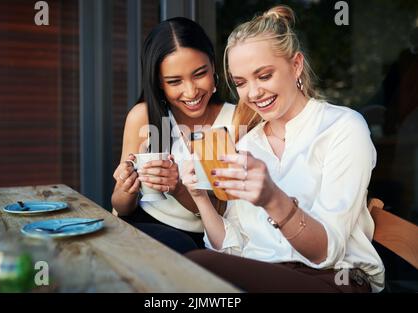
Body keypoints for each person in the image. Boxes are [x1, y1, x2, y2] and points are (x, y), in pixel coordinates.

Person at [182, 5, 385, 292]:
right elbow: (233, 247)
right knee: (192, 267)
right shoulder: (247, 144)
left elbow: (326, 252)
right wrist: (200, 197)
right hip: (265, 275)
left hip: (332, 280)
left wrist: (272, 198)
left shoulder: (343, 128)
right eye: (241, 83)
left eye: (264, 76)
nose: (253, 93)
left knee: (195, 265)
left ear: (296, 65)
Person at [111, 17, 235, 254]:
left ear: (213, 66)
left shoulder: (236, 119)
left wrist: (177, 187)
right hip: (146, 226)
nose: (190, 91)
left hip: (212, 239)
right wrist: (126, 188)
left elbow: (227, 211)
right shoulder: (143, 116)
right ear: (159, 83)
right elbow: (120, 207)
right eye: (174, 81)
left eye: (199, 74)